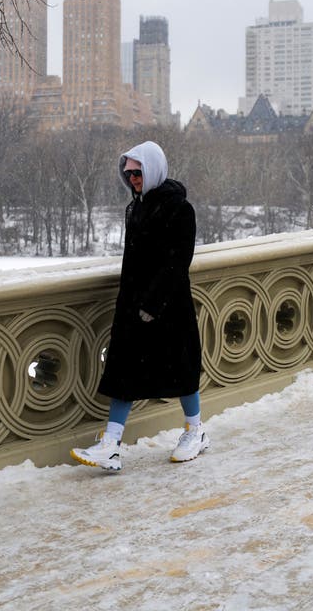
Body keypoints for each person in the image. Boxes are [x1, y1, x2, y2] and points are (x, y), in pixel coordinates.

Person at [70, 141, 208, 471]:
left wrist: (153, 304)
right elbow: (132, 263)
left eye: (137, 171)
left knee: (182, 371)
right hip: (133, 307)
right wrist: (131, 304)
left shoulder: (180, 208)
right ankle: (110, 445)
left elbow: (178, 262)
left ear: (152, 169)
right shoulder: (135, 208)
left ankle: (196, 431)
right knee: (123, 372)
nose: (131, 178)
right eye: (127, 172)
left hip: (169, 307)